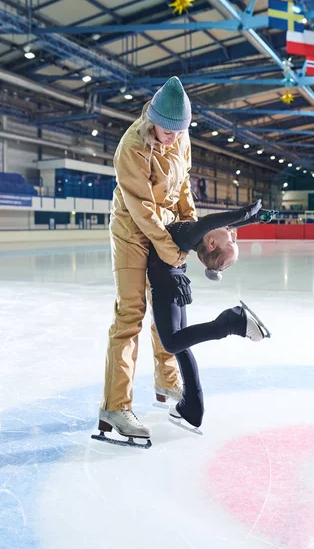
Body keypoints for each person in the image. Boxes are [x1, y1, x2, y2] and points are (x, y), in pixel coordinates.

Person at [92, 200, 277, 447]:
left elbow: (215, 222)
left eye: (231, 241)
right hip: (175, 283)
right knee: (181, 345)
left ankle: (232, 322)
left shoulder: (193, 232)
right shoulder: (195, 235)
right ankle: (191, 406)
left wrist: (246, 214)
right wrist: (255, 219)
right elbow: (224, 224)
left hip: (167, 288)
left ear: (211, 244)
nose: (233, 234)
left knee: (171, 343)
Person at [98, 76, 197, 442]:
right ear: (152, 119)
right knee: (130, 315)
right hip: (131, 231)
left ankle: (166, 381)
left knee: (165, 308)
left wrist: (190, 229)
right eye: (168, 131)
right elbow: (141, 208)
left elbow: (184, 185)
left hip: (165, 228)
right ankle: (115, 406)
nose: (174, 138)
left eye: (180, 132)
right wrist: (172, 249)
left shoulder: (181, 139)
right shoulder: (131, 148)